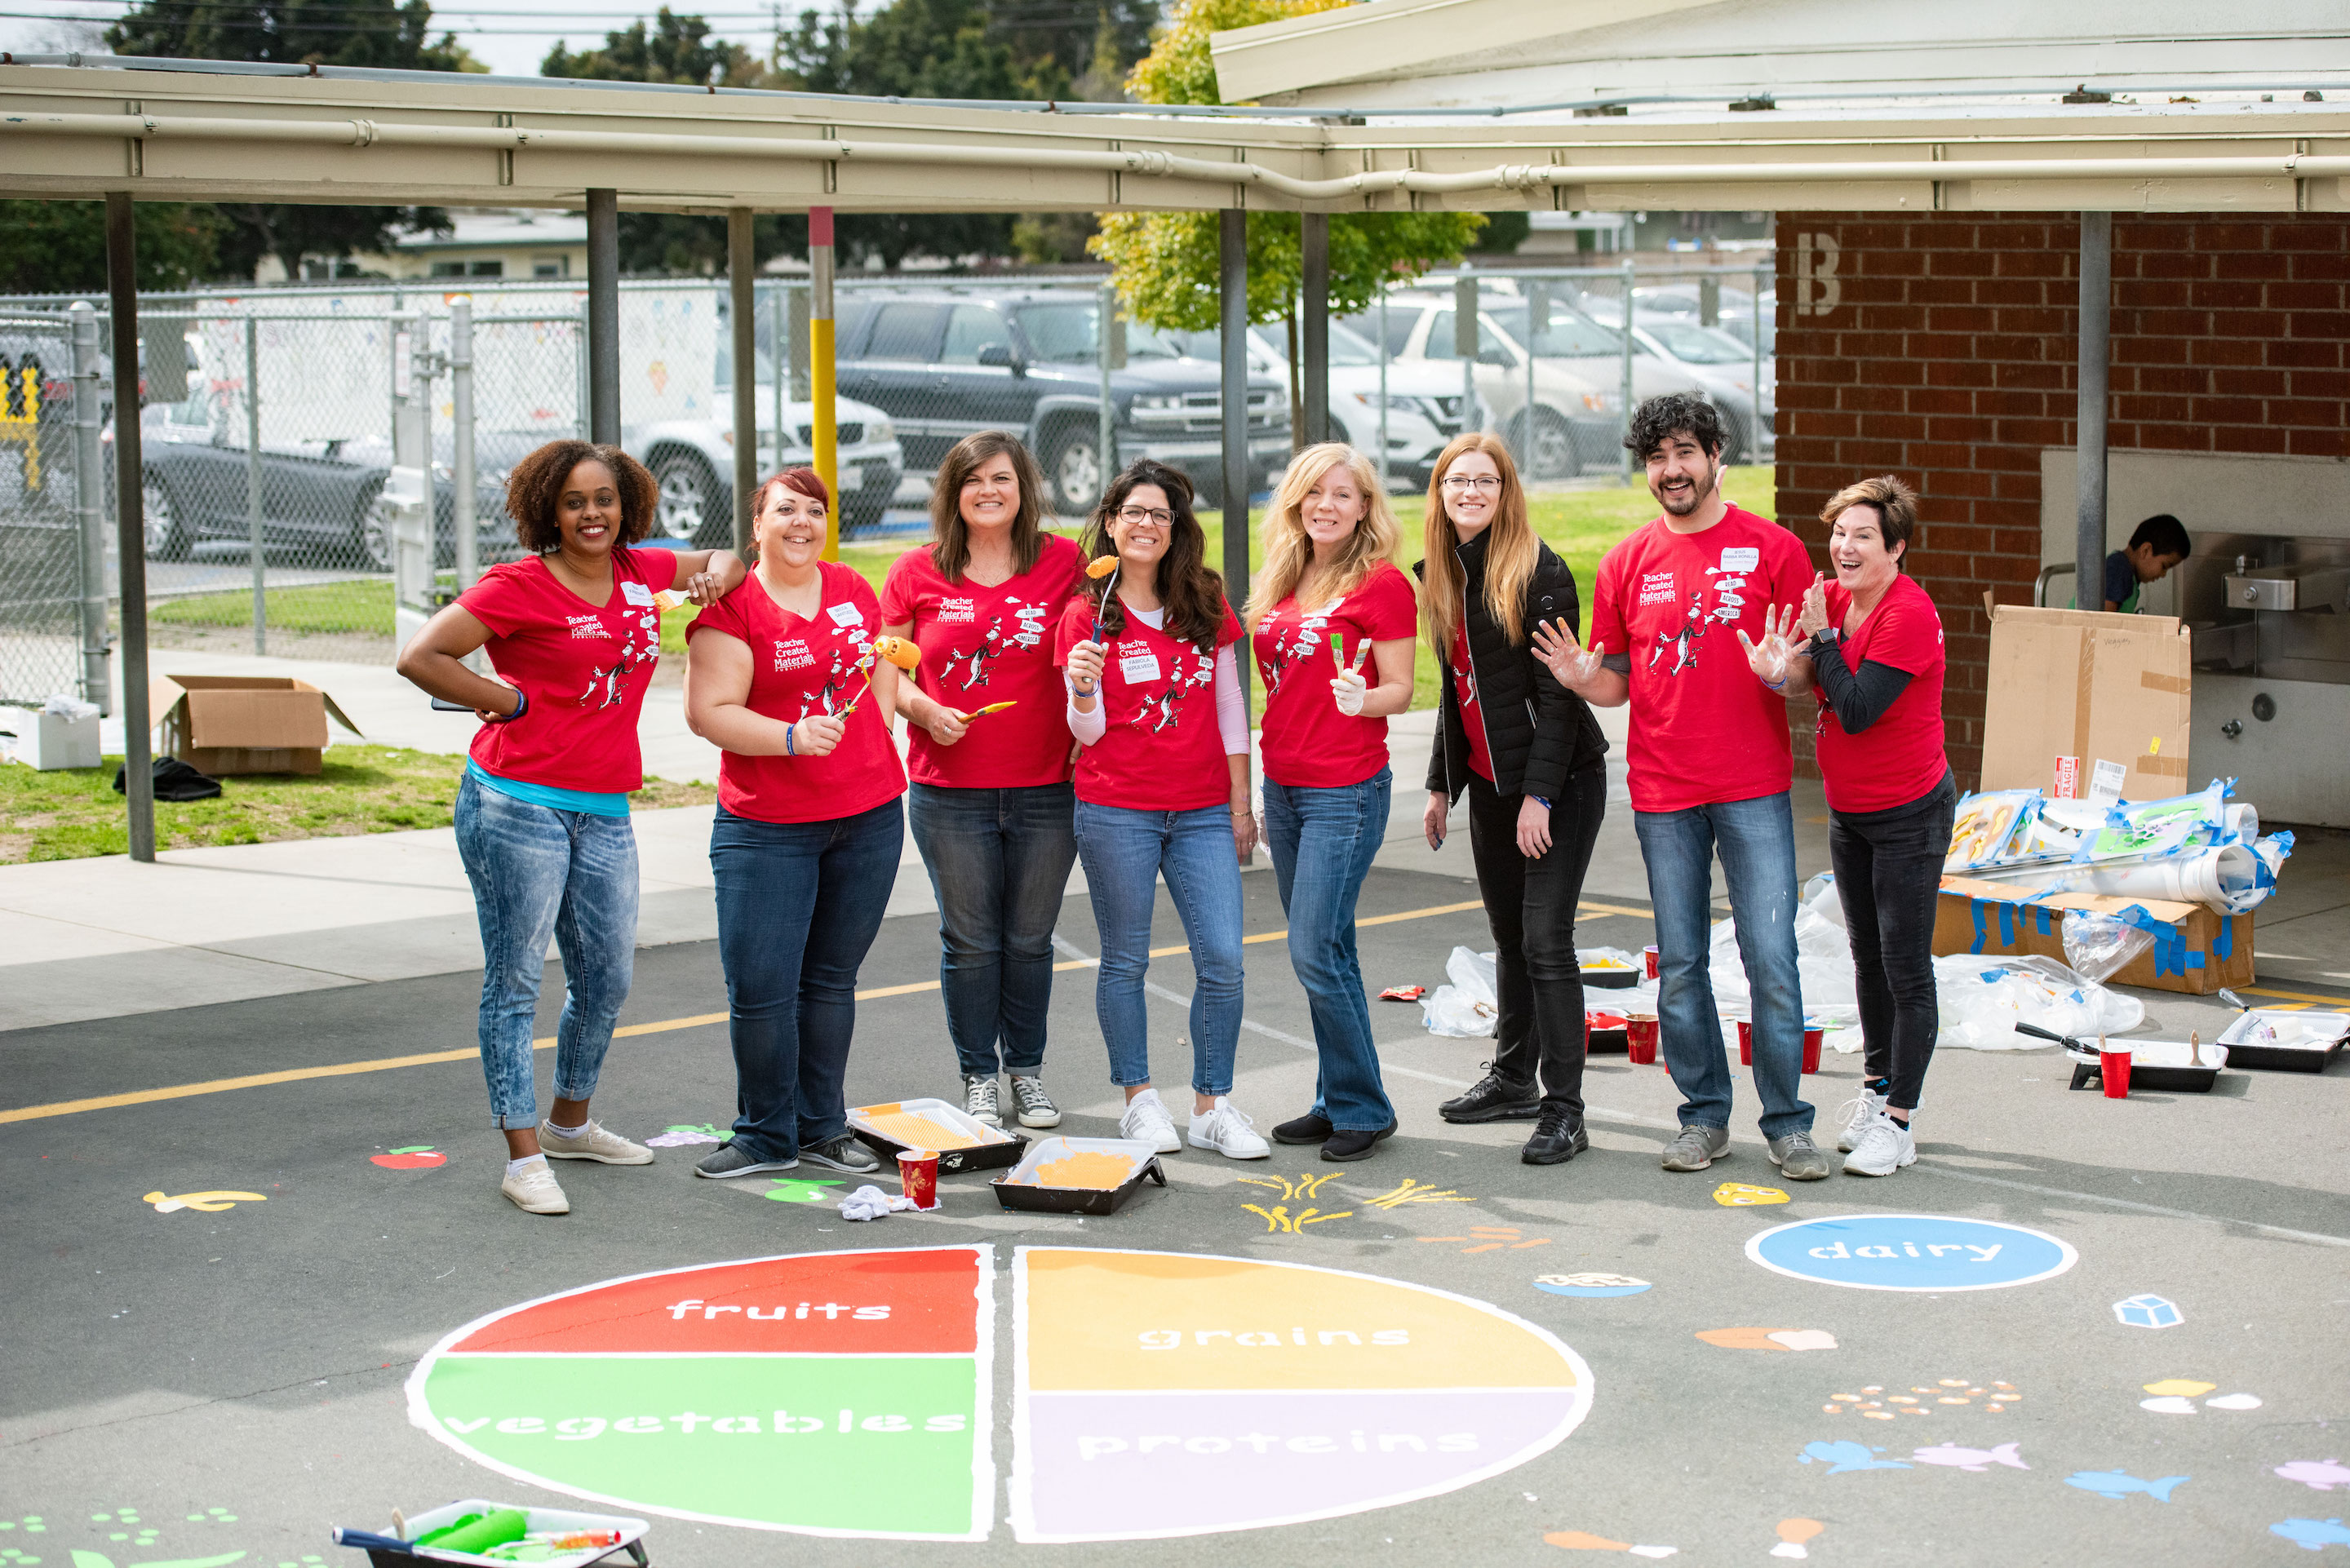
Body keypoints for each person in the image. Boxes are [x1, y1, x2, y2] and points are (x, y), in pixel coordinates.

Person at [396, 439, 745, 1216]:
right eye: (575, 502)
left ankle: (569, 1124)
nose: (593, 514)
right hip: (515, 801)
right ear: (547, 511)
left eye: (605, 500)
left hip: (605, 807)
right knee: (516, 980)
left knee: (607, 978)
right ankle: (522, 1156)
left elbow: (724, 559)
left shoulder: (641, 571)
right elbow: (421, 655)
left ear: (628, 507)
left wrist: (719, 574)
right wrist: (508, 697)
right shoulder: (518, 584)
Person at [1535, 393, 1829, 1180]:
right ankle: (1703, 1118)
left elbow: (1803, 669)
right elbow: (1618, 686)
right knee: (1684, 964)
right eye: (1657, 458)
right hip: (1664, 792)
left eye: (1685, 454)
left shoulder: (1775, 550)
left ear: (1714, 458)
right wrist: (1581, 676)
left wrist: (1786, 672)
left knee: (1773, 956)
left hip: (1754, 787)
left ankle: (1788, 1123)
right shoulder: (1628, 562)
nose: (1672, 470)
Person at [681, 467, 904, 1182]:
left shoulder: (849, 588)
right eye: (786, 510)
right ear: (757, 526)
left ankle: (822, 1127)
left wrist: (894, 721)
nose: (802, 522)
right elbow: (709, 711)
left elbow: (878, 667)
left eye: (815, 510)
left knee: (831, 981)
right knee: (763, 987)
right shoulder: (733, 607)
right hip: (769, 825)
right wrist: (788, 736)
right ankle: (763, 1134)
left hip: (868, 815)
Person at [1737, 476, 1952, 1176]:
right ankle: (1875, 1091)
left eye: (1863, 536)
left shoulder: (1907, 615)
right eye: (1838, 534)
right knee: (1867, 960)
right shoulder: (1828, 598)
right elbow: (1810, 677)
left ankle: (1901, 1122)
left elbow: (1857, 706)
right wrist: (1780, 673)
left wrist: (1822, 643)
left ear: (1896, 548)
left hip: (1910, 813)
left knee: (1906, 967)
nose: (1845, 547)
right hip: (1851, 811)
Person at [1057, 458, 1269, 1161]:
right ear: (1111, 524)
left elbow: (1230, 705)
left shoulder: (1203, 599)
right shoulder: (1085, 613)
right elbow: (1083, 732)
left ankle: (1212, 1106)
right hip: (1118, 807)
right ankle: (1138, 1101)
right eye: (1134, 513)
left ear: (1176, 529)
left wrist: (1242, 799)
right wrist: (1082, 690)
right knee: (1126, 960)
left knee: (1224, 959)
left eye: (1161, 515)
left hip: (1204, 809)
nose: (1146, 525)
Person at [881, 432, 1084, 1132]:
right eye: (973, 480)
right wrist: (924, 709)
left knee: (1030, 938)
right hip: (949, 791)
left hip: (1049, 788)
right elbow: (890, 672)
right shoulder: (915, 572)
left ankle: (1026, 1073)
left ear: (1023, 487)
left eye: (1002, 478)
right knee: (969, 940)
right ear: (953, 492)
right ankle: (977, 1077)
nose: (988, 491)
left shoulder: (1065, 563)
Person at [1418, 433, 1610, 1167]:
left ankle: (1565, 1110)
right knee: (1508, 939)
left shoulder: (1538, 572)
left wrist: (1541, 798)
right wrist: (1442, 783)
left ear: (1506, 492)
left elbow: (1558, 701)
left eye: (1485, 482)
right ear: (1439, 493)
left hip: (1558, 782)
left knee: (1544, 941)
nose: (1470, 492)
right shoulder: (1441, 575)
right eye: (1456, 481)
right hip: (1495, 787)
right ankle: (1512, 1080)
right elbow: (1456, 695)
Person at [1246, 443, 1418, 1163]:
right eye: (1315, 493)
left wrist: (1361, 697)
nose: (1327, 505)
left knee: (1313, 946)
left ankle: (1364, 1107)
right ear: (1296, 500)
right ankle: (1335, 1097)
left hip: (1344, 789)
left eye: (1343, 494)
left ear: (1365, 506)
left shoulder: (1380, 585)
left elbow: (1401, 690)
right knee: (1332, 947)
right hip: (1283, 786)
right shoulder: (1286, 576)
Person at [2102, 513, 2192, 613]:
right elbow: (2105, 620)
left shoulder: (2130, 575)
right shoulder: (2119, 569)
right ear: (2145, 550)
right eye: (2164, 566)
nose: (2163, 574)